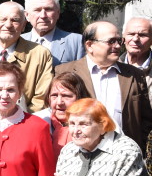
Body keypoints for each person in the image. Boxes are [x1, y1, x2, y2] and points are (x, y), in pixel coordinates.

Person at [56, 21, 152, 150]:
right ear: (90, 45)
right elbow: (56, 113)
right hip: (79, 149)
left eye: (119, 41)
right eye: (111, 41)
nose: (117, 46)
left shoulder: (134, 75)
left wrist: (137, 146)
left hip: (123, 151)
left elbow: (146, 118)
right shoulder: (65, 71)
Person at [0, 1, 53, 113]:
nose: (8, 25)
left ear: (23, 25)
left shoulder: (40, 54)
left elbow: (41, 98)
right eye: (3, 19)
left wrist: (21, 118)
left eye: (15, 20)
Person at [21, 0, 84, 66]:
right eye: (37, 10)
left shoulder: (76, 42)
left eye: (48, 9)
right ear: (27, 15)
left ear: (58, 13)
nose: (43, 15)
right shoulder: (17, 41)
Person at [34, 72, 91, 156]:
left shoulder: (93, 125)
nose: (59, 102)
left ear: (80, 98)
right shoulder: (38, 122)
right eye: (54, 95)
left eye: (66, 96)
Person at [121, 16, 152, 102]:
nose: (135, 39)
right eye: (131, 34)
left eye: (142, 35)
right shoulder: (111, 67)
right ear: (123, 38)